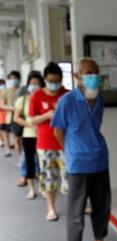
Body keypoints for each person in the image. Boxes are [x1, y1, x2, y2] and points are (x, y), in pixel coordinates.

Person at [52, 58, 117, 241]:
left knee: (102, 205)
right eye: (89, 72)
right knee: (76, 210)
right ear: (77, 77)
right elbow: (58, 131)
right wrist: (72, 151)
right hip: (78, 164)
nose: (93, 76)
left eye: (96, 72)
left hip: (100, 160)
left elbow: (95, 127)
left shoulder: (99, 99)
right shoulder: (67, 101)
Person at [29, 62, 69, 221]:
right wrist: (47, 115)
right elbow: (32, 120)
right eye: (51, 80)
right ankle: (51, 209)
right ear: (45, 79)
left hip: (66, 143)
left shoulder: (66, 94)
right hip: (45, 144)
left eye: (57, 80)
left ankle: (75, 207)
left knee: (70, 177)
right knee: (48, 178)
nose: (54, 84)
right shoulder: (37, 96)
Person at [13, 71, 44, 199]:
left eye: (37, 84)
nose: (34, 86)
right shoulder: (23, 99)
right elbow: (16, 118)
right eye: (32, 84)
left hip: (43, 135)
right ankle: (31, 189)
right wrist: (31, 126)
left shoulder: (44, 98)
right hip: (28, 135)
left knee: (43, 163)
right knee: (30, 162)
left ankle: (43, 188)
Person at [0, 79, 12, 153]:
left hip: (10, 116)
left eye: (2, 84)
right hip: (2, 117)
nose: (1, 86)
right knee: (5, 134)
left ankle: (10, 144)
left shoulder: (8, 92)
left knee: (14, 134)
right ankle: (8, 149)